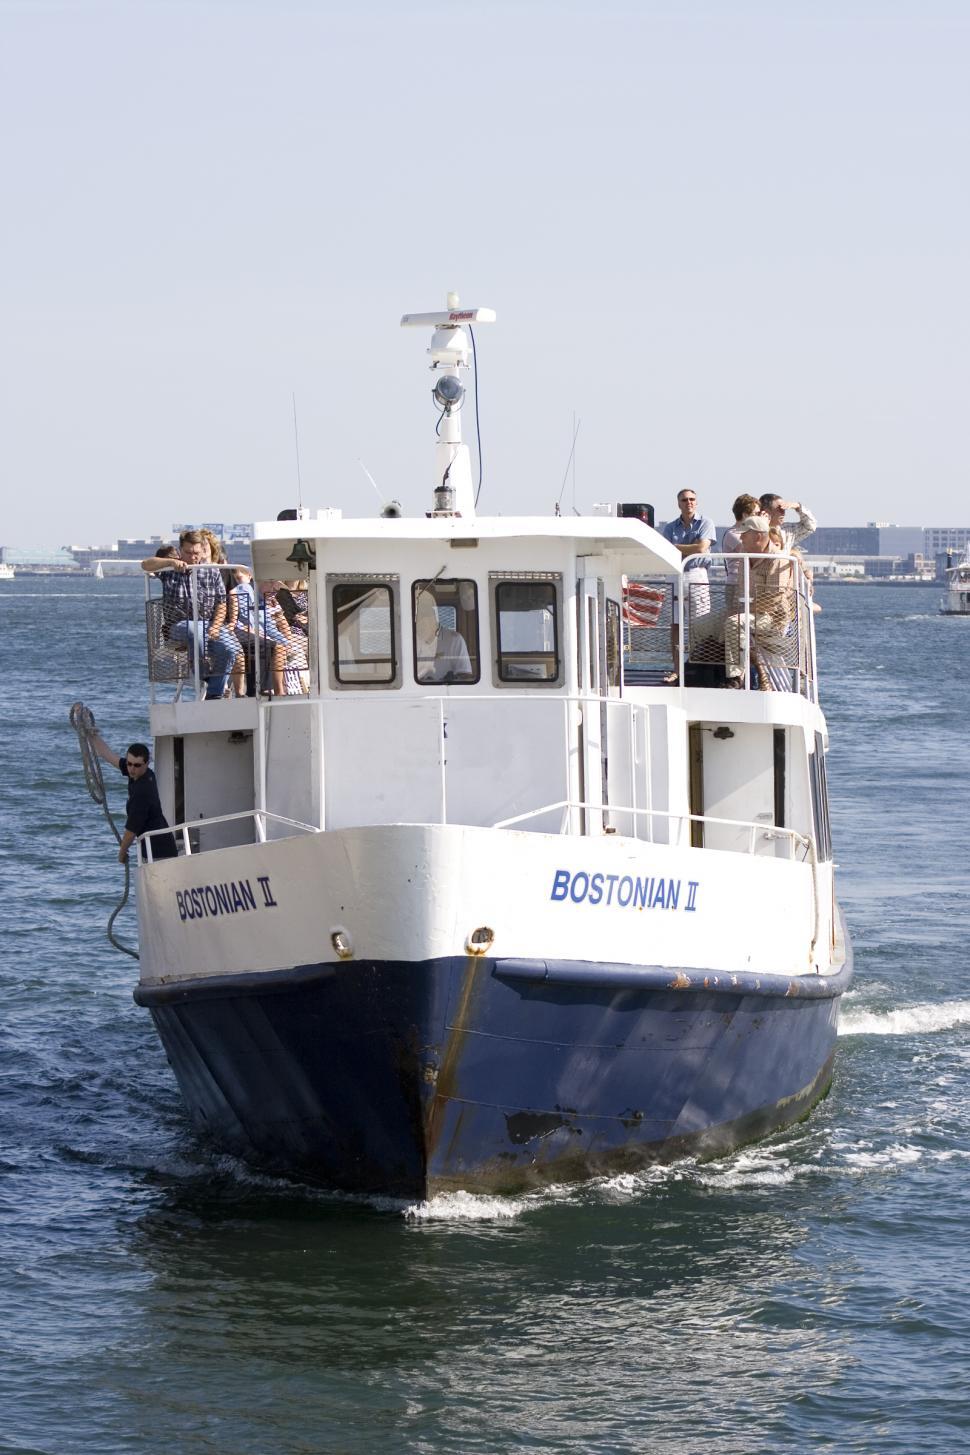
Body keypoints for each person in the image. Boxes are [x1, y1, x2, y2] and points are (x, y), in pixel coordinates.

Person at [141, 529, 240, 700]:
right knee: (195, 633)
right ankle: (204, 675)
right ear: (180, 550)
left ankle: (214, 693)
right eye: (187, 552)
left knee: (230, 647)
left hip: (208, 623)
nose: (192, 557)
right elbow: (146, 565)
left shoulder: (212, 571)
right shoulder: (169, 569)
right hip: (179, 624)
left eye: (196, 553)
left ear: (202, 550)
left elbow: (222, 603)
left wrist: (216, 627)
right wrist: (171, 562)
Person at [85, 729, 178, 862]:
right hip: (154, 847)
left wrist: (122, 852)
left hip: (159, 853)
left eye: (136, 765)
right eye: (129, 764)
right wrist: (91, 735)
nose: (131, 769)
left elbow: (131, 829)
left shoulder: (142, 791)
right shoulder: (140, 773)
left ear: (147, 763)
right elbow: (109, 755)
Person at [661, 489, 716, 681]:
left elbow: (701, 548)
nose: (689, 503)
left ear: (697, 502)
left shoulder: (706, 523)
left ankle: (698, 667)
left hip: (696, 574)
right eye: (684, 500)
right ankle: (677, 669)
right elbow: (665, 551)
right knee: (675, 624)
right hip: (675, 575)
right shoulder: (670, 527)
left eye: (692, 499)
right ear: (679, 504)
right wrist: (690, 547)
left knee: (700, 624)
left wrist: (676, 548)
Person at [414, 588, 472, 682]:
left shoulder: (455, 639)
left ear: (434, 616)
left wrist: (448, 680)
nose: (422, 620)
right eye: (419, 616)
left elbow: (465, 675)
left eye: (426, 615)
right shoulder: (409, 640)